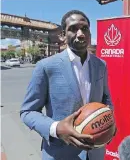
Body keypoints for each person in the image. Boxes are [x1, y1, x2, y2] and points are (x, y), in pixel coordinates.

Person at [20, 10, 114, 160]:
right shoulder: (46, 66)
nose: (80, 34)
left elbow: (106, 99)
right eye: (73, 29)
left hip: (96, 153)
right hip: (60, 154)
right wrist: (56, 128)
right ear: (63, 35)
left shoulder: (100, 65)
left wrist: (109, 122)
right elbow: (27, 111)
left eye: (84, 28)